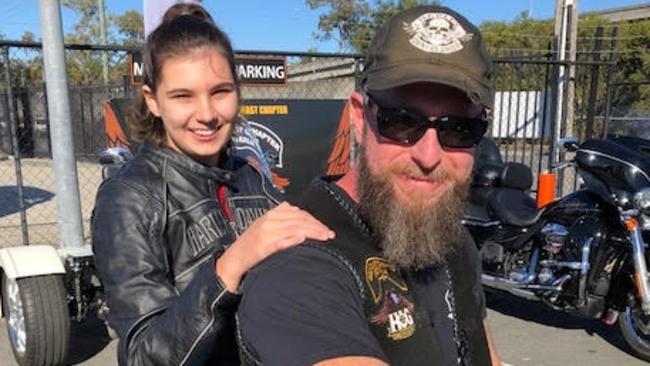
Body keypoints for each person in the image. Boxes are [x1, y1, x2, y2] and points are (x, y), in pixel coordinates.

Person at [236, 5, 501, 366]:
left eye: (458, 129)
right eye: (402, 122)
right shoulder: (300, 266)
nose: (429, 155)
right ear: (360, 118)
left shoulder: (452, 239)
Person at [91, 4, 334, 365]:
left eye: (220, 91)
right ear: (153, 100)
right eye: (182, 96)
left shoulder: (248, 175)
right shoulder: (129, 198)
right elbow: (144, 356)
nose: (206, 114)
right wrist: (230, 265)